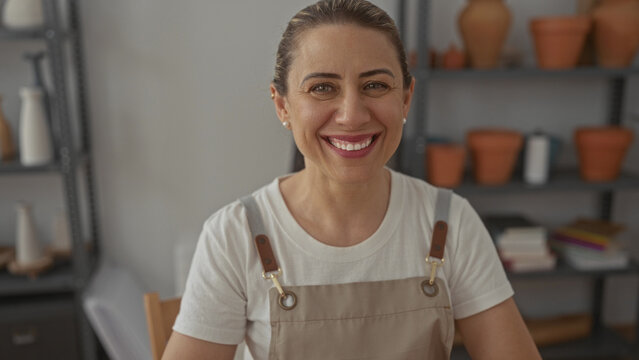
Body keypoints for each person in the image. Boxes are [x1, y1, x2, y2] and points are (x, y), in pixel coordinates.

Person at [163, 0, 542, 359]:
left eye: (375, 85)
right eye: (322, 88)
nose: (352, 115)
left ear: (406, 99)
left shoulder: (450, 222)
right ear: (283, 106)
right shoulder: (234, 235)